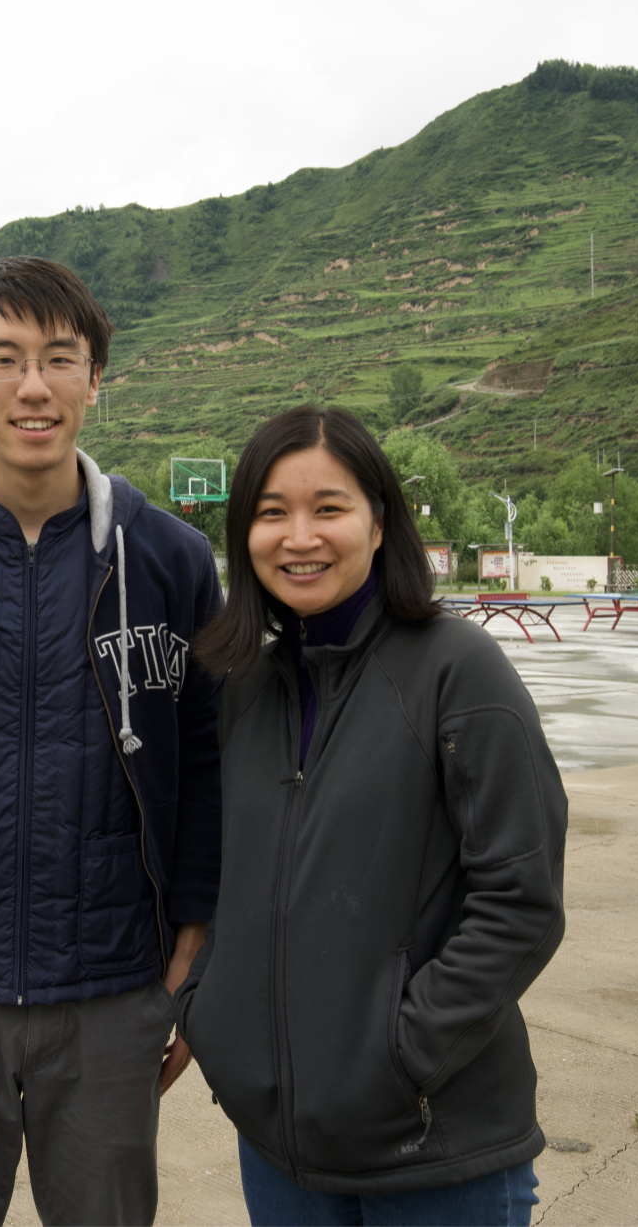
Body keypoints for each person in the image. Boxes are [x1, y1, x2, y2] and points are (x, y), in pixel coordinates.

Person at [0, 255, 224, 1226]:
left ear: (94, 379)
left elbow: (209, 754)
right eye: (4, 358)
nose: (32, 385)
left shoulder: (168, 560)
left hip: (111, 989)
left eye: (59, 359)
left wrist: (195, 929)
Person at [177, 405, 566, 1227]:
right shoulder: (247, 687)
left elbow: (521, 903)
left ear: (380, 523)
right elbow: (231, 876)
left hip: (432, 1151)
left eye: (329, 508)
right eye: (271, 512)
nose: (300, 536)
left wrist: (400, 1059)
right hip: (282, 1155)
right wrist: (215, 1015)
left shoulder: (460, 672)